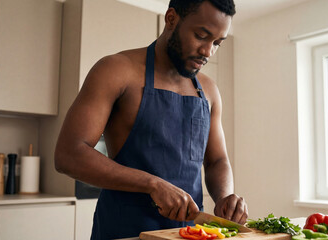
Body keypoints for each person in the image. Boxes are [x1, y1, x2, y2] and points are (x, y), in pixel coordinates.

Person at [54, 0, 248, 239]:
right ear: (171, 19)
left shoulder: (208, 91)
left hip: (188, 233)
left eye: (217, 43)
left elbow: (217, 160)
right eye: (201, 36)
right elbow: (68, 154)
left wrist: (225, 197)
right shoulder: (115, 70)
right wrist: (152, 184)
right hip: (124, 231)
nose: (208, 51)